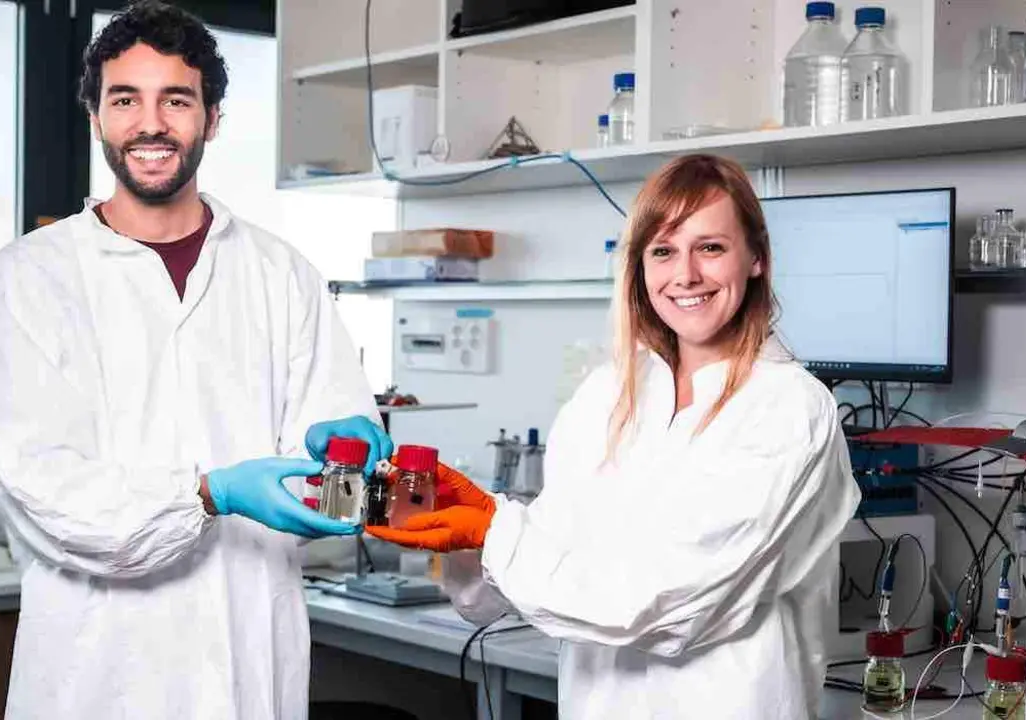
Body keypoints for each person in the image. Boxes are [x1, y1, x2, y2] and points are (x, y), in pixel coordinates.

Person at [0, 3, 389, 718]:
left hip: (247, 661)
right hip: (98, 673)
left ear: (212, 119)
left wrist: (351, 451)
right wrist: (206, 493)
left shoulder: (282, 274)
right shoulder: (31, 278)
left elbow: (336, 464)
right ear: (96, 117)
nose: (150, 123)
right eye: (125, 99)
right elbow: (43, 489)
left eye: (177, 99)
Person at [369, 154, 861, 719]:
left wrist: (494, 530)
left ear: (756, 260)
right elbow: (533, 565)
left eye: (711, 247)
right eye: (663, 250)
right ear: (639, 267)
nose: (686, 275)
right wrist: (465, 530)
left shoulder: (787, 409)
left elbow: (673, 606)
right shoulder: (611, 394)